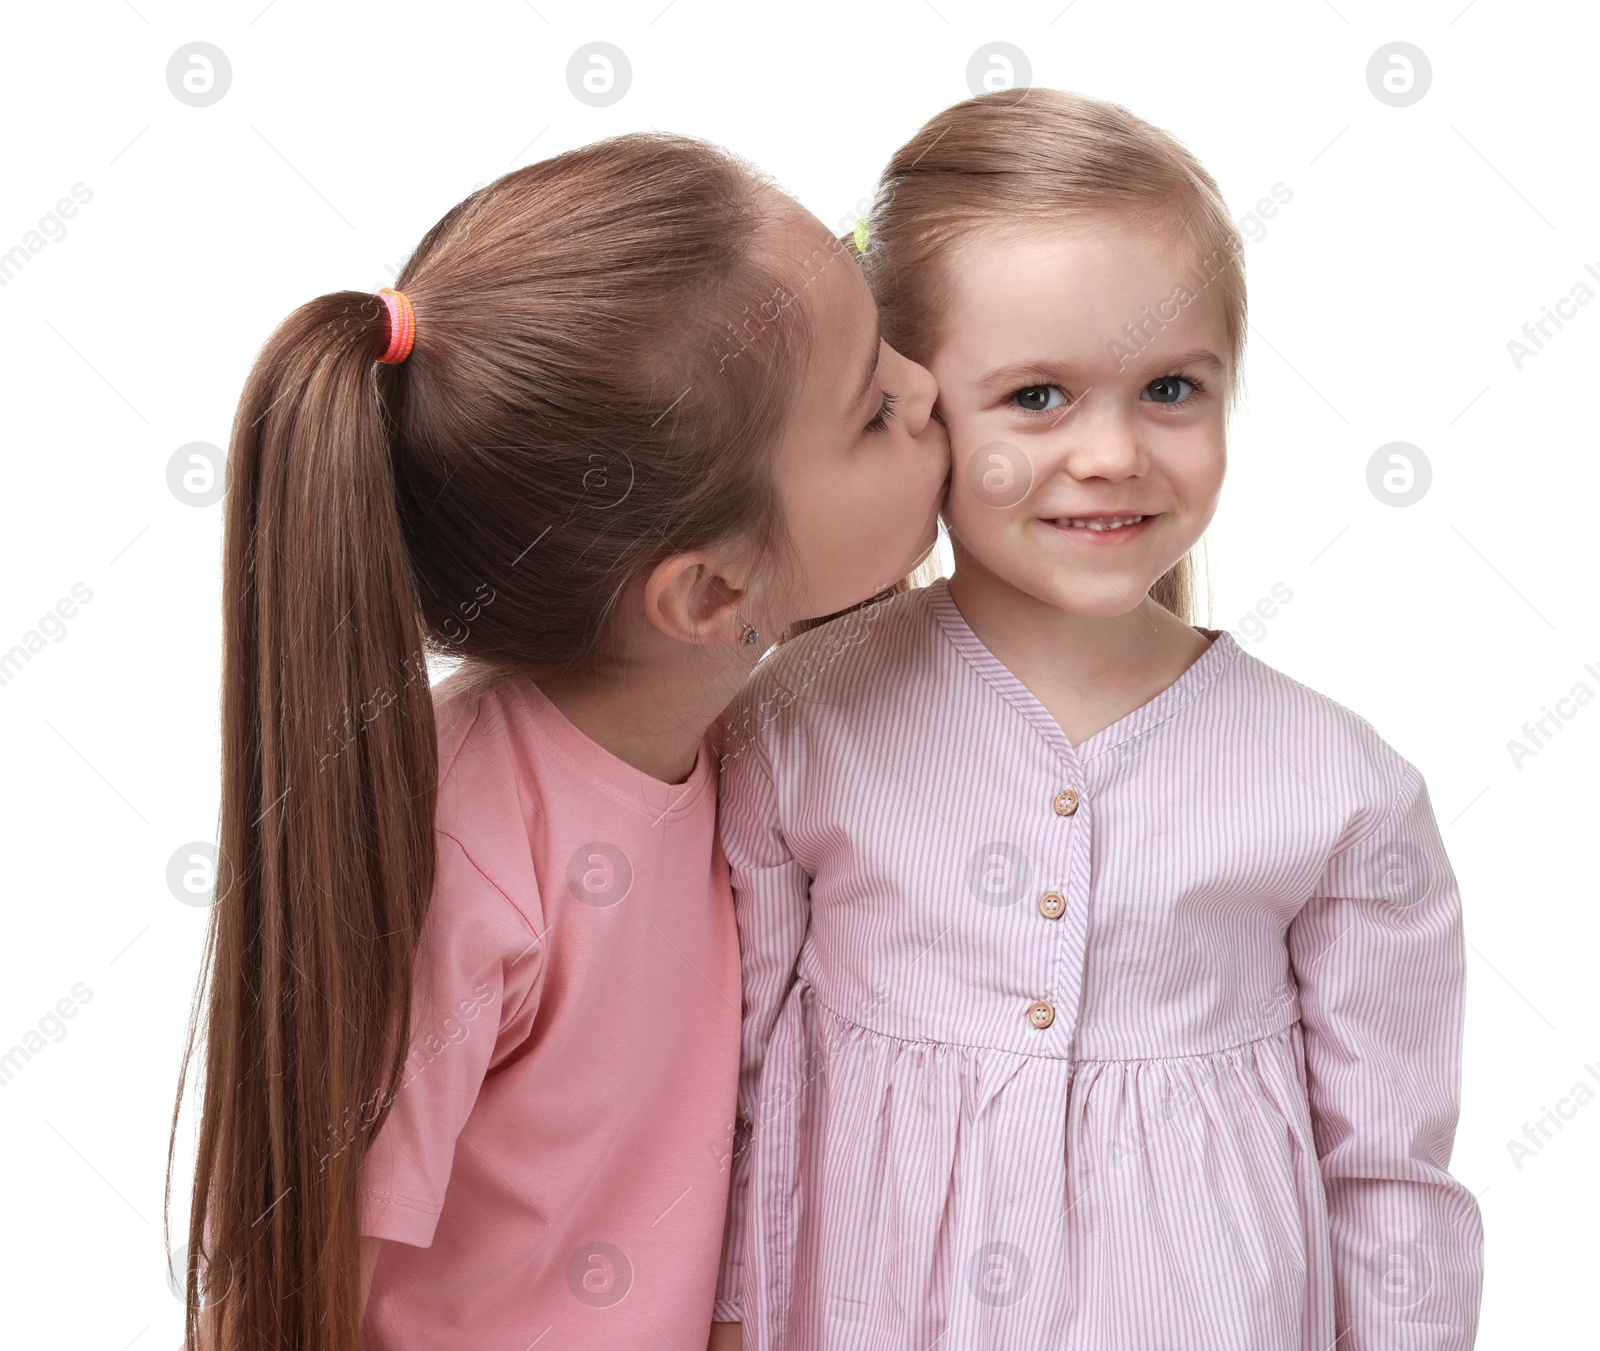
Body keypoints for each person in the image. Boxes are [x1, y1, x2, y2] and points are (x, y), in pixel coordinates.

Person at [710, 90, 1484, 1350]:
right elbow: (724, 1089)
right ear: (912, 409)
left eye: (1170, 387)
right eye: (1038, 397)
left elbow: (1389, 1172)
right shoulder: (797, 723)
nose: (1114, 451)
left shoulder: (1339, 786)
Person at [168, 131, 949, 1351]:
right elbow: (272, 1292)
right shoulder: (468, 848)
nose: (929, 389)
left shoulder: (761, 741)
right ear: (703, 595)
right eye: (871, 411)